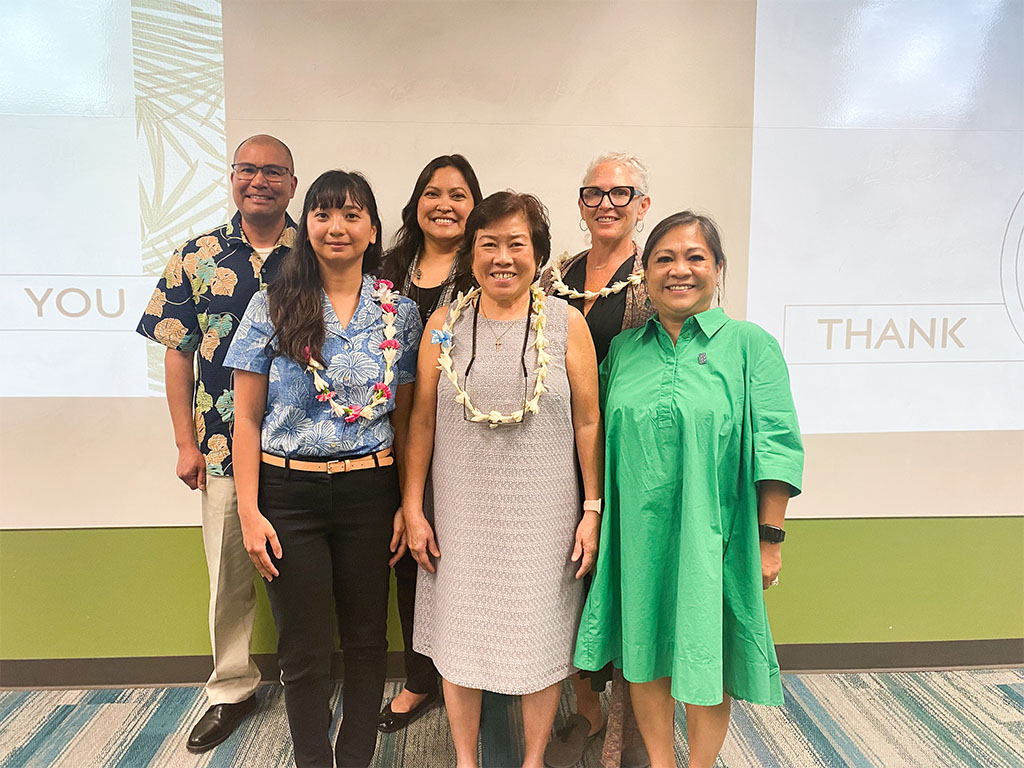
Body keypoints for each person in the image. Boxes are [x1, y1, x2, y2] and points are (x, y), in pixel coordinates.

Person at [574, 211, 804, 768]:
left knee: (708, 657)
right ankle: (662, 762)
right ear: (645, 273)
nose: (680, 270)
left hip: (715, 536)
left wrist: (768, 537)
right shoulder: (625, 351)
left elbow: (777, 443)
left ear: (718, 269)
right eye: (664, 259)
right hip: (636, 535)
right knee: (644, 652)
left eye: (695, 257)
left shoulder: (750, 345)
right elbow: (595, 436)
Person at [223, 170, 422, 768]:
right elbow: (248, 420)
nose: (337, 227)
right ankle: (312, 759)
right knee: (303, 648)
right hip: (288, 494)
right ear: (305, 225)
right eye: (323, 213)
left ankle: (355, 756)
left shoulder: (400, 315)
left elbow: (409, 423)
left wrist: (405, 504)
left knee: (366, 641)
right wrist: (251, 513)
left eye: (352, 214)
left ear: (372, 229)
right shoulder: (271, 303)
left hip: (371, 490)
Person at [403, 191, 602, 768]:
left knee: (539, 630)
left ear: (538, 254)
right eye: (489, 244)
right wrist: (414, 508)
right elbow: (421, 421)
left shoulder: (567, 325)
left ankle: (532, 758)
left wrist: (592, 508)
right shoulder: (443, 324)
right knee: (460, 630)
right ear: (471, 254)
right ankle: (467, 759)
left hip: (545, 511)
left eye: (517, 244)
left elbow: (588, 422)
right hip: (461, 512)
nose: (503, 257)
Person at [136, 134, 298, 753]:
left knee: (301, 570)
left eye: (273, 172)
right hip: (225, 449)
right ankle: (231, 687)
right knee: (229, 575)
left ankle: (305, 679)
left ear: (291, 181)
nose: (259, 181)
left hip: (301, 447)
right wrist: (185, 441)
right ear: (232, 177)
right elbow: (178, 353)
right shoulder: (196, 255)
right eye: (247, 170)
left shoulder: (314, 252)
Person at [539, 151, 653, 768]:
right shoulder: (556, 273)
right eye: (593, 192)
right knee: (573, 583)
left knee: (627, 586)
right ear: (580, 203)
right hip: (560, 459)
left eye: (620, 192)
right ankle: (587, 711)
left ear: (643, 205)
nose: (606, 202)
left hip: (632, 461)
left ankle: (629, 733)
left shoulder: (658, 273)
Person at [375, 154, 482, 734]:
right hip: (390, 435)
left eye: (459, 194)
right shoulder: (386, 269)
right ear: (417, 202)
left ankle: (474, 672)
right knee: (409, 557)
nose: (445, 204)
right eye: (434, 193)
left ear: (476, 206)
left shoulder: (489, 268)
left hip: (471, 443)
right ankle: (422, 679)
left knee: (470, 559)